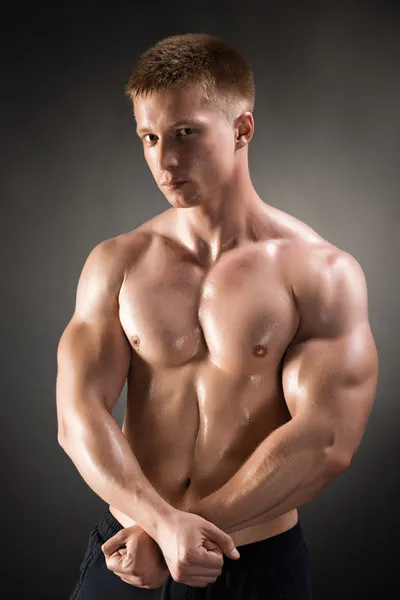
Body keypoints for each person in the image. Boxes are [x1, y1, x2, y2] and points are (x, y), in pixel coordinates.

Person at [57, 33, 379, 599]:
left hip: (249, 565)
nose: (164, 159)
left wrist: (181, 536)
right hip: (129, 554)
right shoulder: (118, 263)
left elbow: (326, 441)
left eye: (186, 133)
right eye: (149, 137)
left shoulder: (320, 273)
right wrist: (159, 525)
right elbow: (77, 415)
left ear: (241, 129)